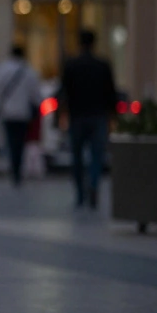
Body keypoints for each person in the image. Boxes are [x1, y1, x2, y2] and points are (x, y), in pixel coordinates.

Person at [59, 30, 117, 209]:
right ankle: (93, 184)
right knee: (96, 155)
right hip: (98, 115)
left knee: (77, 156)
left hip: (77, 116)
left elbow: (64, 92)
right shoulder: (102, 65)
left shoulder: (71, 65)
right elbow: (111, 93)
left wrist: (62, 114)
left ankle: (80, 192)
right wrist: (112, 116)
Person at [0, 45, 43, 186]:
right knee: (20, 143)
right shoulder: (29, 72)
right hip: (22, 113)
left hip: (7, 112)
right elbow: (36, 96)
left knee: (10, 141)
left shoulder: (2, 69)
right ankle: (17, 170)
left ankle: (13, 167)